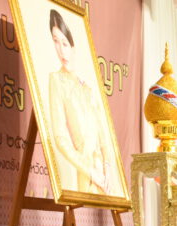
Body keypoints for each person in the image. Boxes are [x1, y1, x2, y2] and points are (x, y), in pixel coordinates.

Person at [48, 9, 120, 196]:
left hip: (105, 175)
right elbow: (60, 138)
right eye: (56, 41)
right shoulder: (57, 80)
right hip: (85, 172)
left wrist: (107, 167)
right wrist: (89, 171)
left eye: (65, 43)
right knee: (84, 203)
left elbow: (103, 133)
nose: (61, 50)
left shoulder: (88, 85)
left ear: (73, 46)